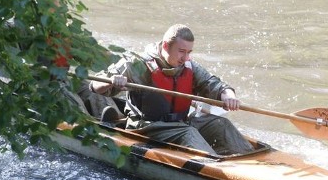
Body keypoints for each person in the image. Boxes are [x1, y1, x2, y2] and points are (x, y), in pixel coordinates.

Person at [89, 24, 253, 156]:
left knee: (220, 123)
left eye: (189, 52)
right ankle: (215, 168)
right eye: (181, 51)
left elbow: (213, 84)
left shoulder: (189, 66)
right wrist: (112, 81)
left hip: (180, 123)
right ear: (166, 46)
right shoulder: (136, 64)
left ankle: (248, 160)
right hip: (147, 127)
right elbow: (95, 85)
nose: (186, 58)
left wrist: (229, 96)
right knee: (188, 133)